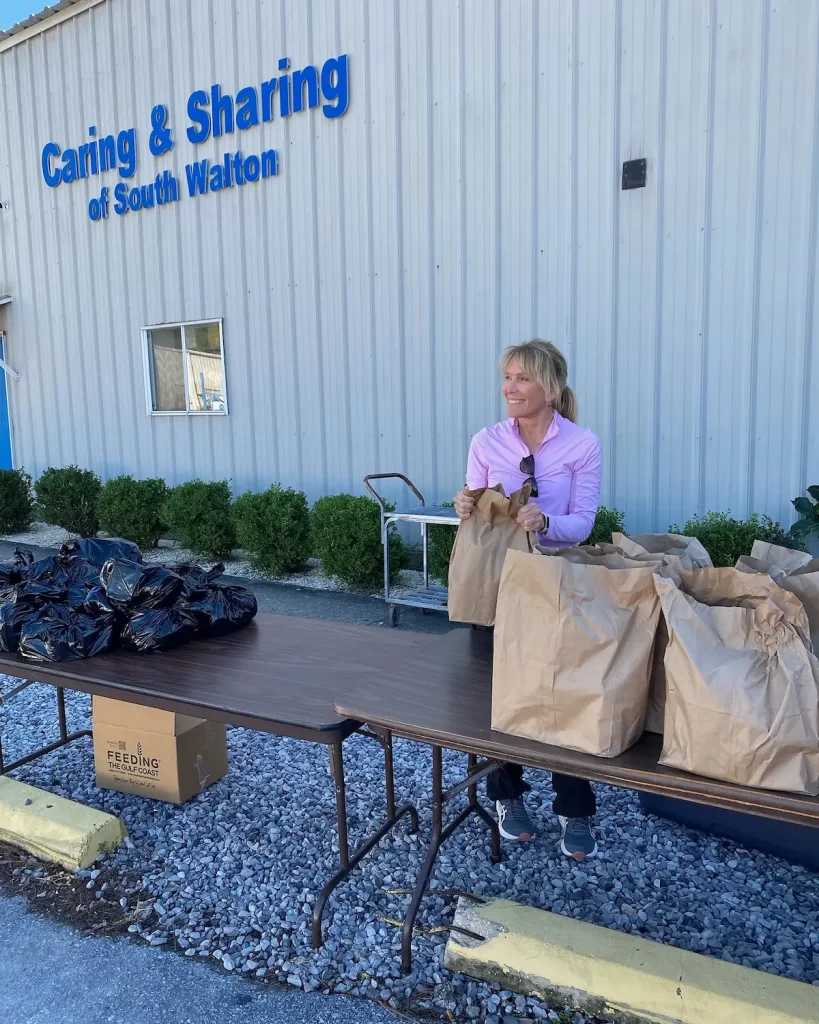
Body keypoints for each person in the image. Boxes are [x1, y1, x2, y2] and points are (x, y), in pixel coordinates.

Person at [454, 340, 602, 859]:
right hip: (497, 581)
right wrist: (465, 502)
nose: (509, 388)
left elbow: (584, 523)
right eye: (507, 377)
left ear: (551, 388)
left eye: (522, 378)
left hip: (553, 579)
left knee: (563, 696)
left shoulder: (582, 444)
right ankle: (506, 796)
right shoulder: (486, 440)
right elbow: (475, 508)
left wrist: (548, 521)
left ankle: (575, 807)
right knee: (498, 697)